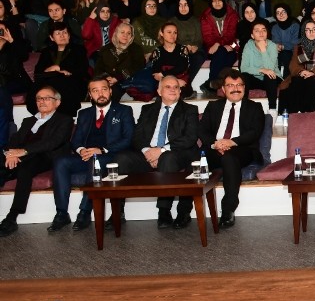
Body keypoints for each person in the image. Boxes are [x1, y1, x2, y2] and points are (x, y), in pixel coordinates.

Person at [50, 75, 136, 232]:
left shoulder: (124, 110)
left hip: (110, 156)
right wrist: (81, 150)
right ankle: (61, 213)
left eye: (104, 89)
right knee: (61, 162)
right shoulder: (84, 113)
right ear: (90, 94)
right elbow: (75, 141)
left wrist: (101, 150)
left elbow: (128, 139)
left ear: (110, 91)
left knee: (94, 161)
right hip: (87, 155)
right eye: (95, 91)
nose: (100, 94)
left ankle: (85, 212)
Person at [114, 76, 201, 228]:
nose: (173, 89)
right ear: (159, 91)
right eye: (168, 87)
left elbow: (190, 138)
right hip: (149, 153)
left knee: (167, 158)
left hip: (178, 153)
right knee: (122, 158)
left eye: (176, 87)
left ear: (180, 91)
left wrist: (160, 151)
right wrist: (148, 151)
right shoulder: (147, 109)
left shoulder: (190, 110)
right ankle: (117, 212)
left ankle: (164, 211)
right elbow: (137, 136)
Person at [0, 85, 73, 236]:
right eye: (39, 98)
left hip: (46, 157)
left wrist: (24, 152)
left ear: (57, 102)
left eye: (47, 98)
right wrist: (10, 154)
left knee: (26, 168)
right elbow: (15, 139)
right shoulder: (28, 120)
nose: (42, 101)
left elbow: (53, 143)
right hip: (21, 156)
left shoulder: (64, 120)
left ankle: (11, 217)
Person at [199, 69, 265, 228]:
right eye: (230, 85)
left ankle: (228, 209)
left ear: (244, 87)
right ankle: (183, 211)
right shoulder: (213, 106)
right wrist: (216, 144)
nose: (235, 88)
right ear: (223, 89)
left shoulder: (255, 107)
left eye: (239, 85)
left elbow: (254, 133)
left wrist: (231, 142)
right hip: (215, 148)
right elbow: (202, 130)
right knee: (192, 160)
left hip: (242, 149)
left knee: (229, 158)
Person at [279, 21, 315, 113]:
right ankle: (293, 115)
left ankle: (310, 115)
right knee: (296, 81)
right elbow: (292, 65)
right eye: (308, 30)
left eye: (314, 29)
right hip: (301, 75)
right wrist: (301, 71)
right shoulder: (298, 46)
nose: (311, 32)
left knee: (310, 82)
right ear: (304, 32)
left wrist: (313, 72)